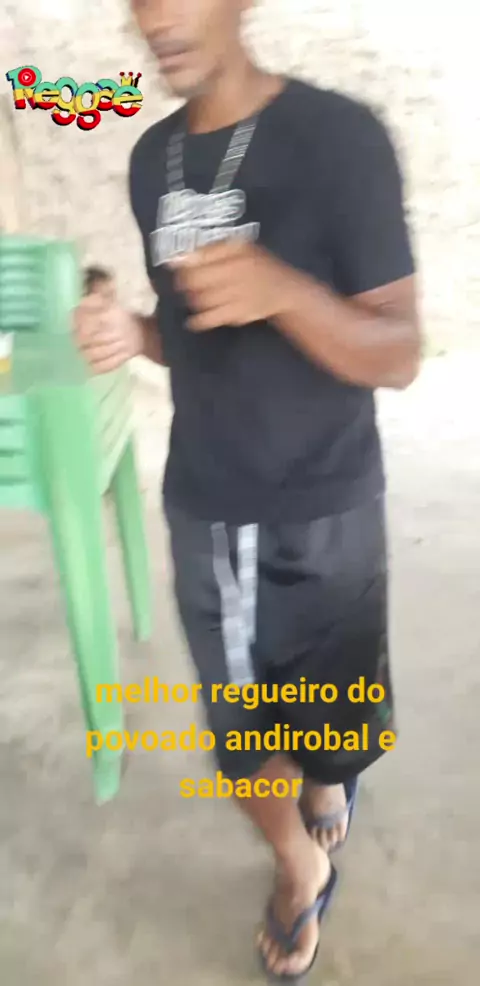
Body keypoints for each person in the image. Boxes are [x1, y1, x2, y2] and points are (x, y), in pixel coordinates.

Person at [74, 1, 421, 980]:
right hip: (207, 500)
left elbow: (398, 353)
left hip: (329, 501)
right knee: (238, 733)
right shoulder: (151, 161)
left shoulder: (340, 139)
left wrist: (286, 292)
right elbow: (189, 335)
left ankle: (329, 783)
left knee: (334, 719)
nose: (156, 17)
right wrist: (132, 334)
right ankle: (298, 860)